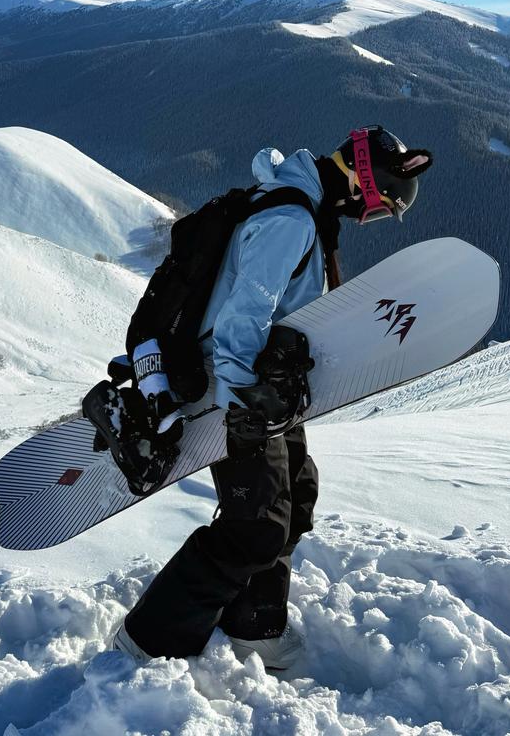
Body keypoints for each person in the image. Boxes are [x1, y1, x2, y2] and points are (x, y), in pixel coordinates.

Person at [113, 126, 432, 670]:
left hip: (264, 386)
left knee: (296, 495)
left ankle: (254, 625)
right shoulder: (290, 219)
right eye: (377, 206)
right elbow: (243, 316)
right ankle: (147, 642)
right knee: (254, 527)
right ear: (361, 181)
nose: (366, 217)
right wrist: (242, 403)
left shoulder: (303, 205)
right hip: (232, 389)